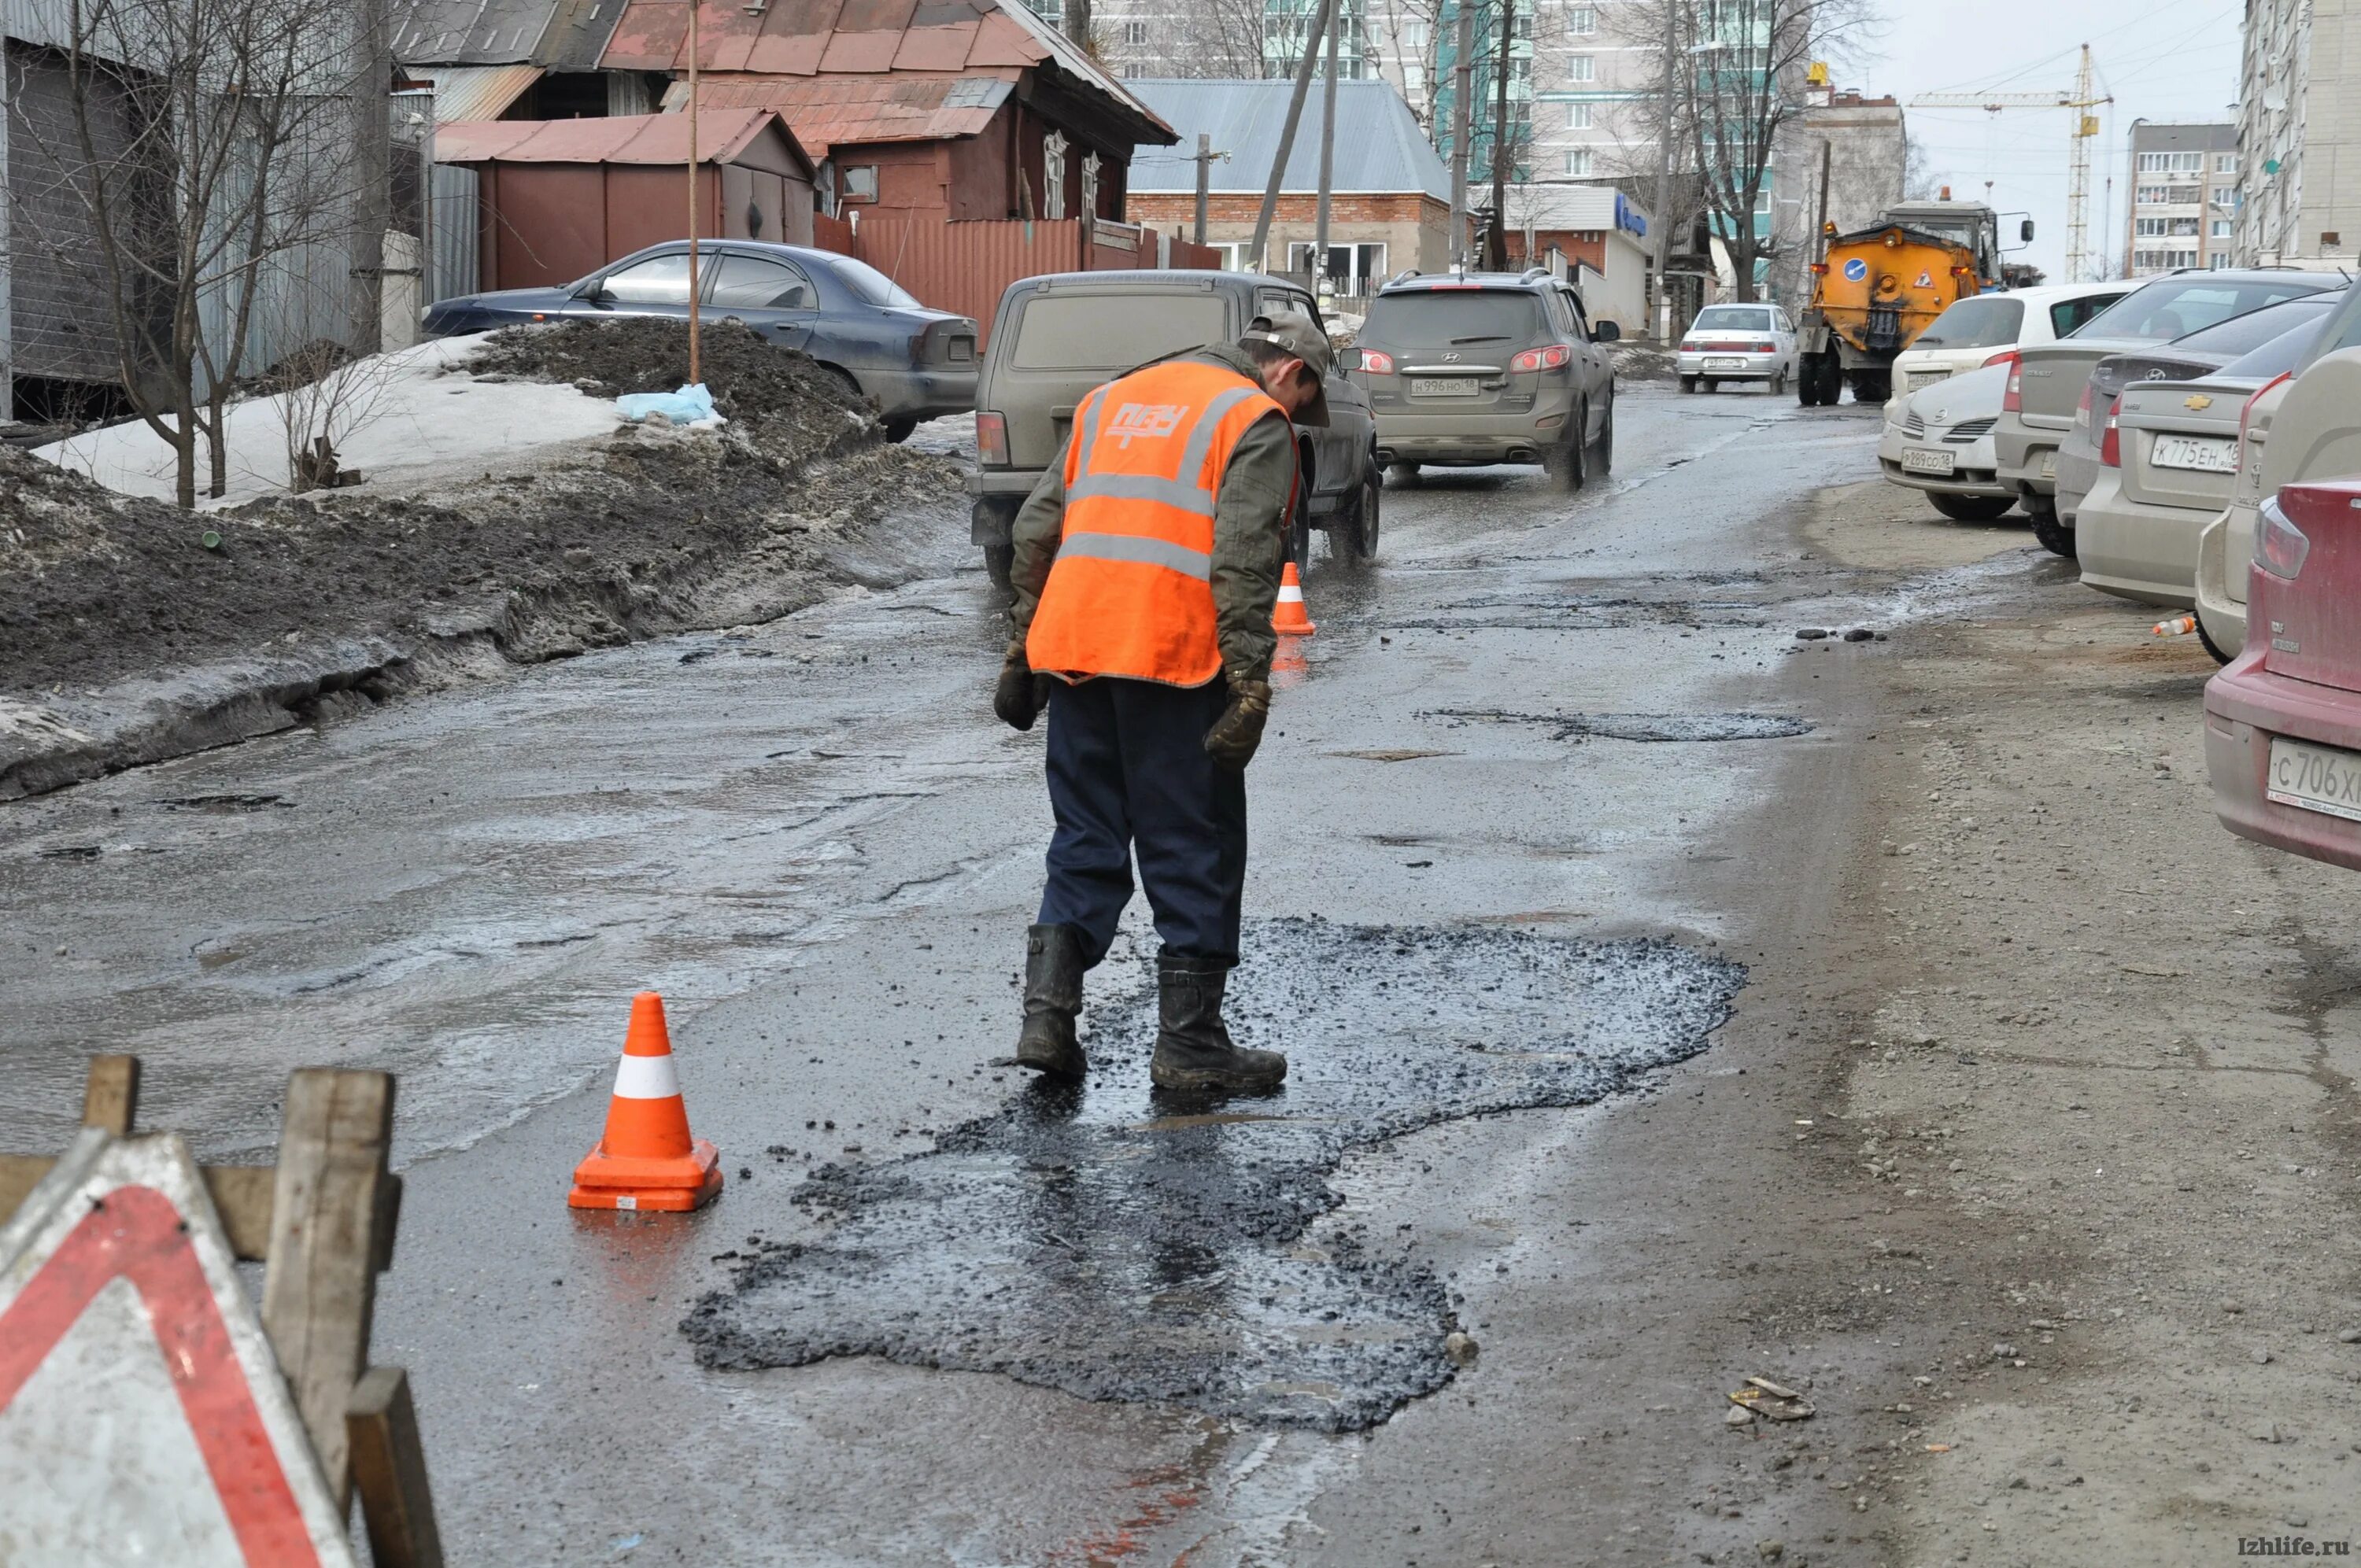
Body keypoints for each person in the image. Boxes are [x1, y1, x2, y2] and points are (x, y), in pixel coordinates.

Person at [991, 312, 1332, 1093]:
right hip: (1174, 661)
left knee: (1085, 835)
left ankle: (1048, 1019)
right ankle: (1191, 1047)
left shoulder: (1114, 400)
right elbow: (1245, 560)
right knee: (1195, 843)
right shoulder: (1253, 418)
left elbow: (1039, 526)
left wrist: (1022, 645)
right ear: (1288, 373)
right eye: (1304, 399)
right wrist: (1249, 683)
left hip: (1076, 652)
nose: (1298, 417)